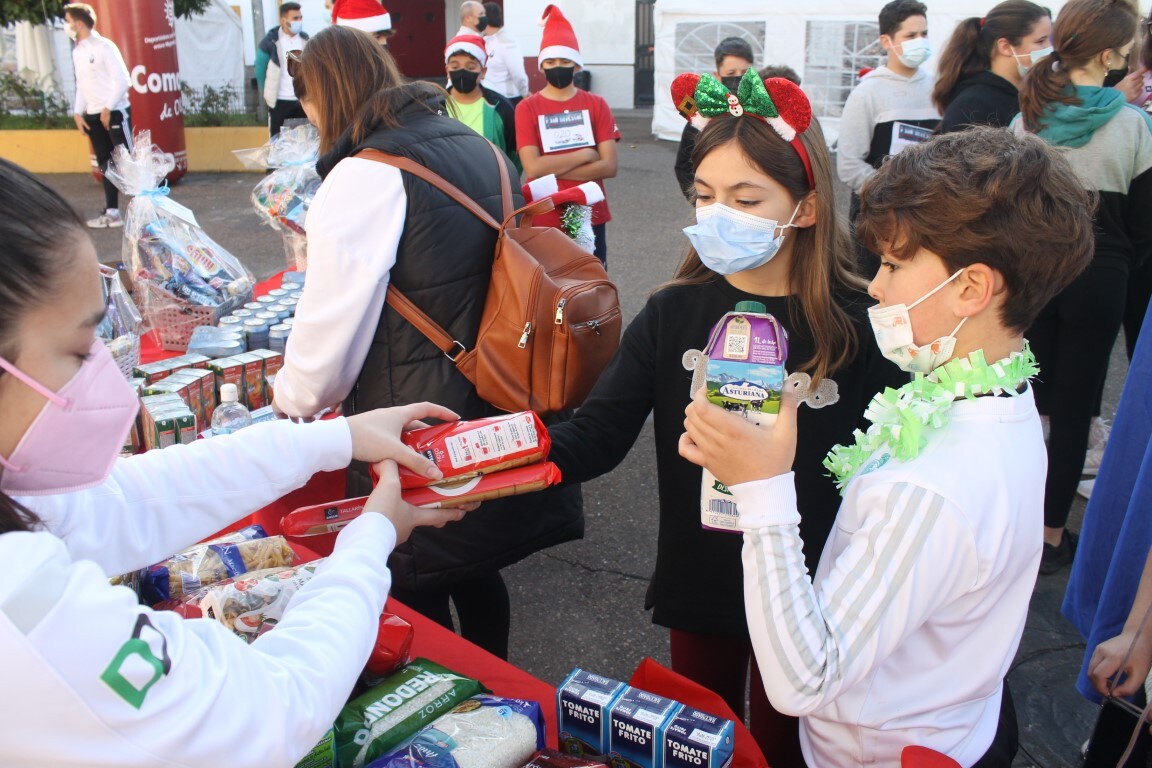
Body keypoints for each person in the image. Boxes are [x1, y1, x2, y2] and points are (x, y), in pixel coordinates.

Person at [0, 157, 471, 766]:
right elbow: (273, 708)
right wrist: (369, 540)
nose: (106, 371)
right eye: (79, 346)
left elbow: (124, 501)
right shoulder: (30, 621)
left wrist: (336, 438)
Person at [680, 126, 1094, 767]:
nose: (874, 285)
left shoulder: (929, 488)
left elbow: (802, 682)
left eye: (895, 265)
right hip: (953, 721)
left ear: (971, 288)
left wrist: (762, 486)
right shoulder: (996, 400)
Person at [547, 69, 904, 768]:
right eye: (704, 196)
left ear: (803, 207)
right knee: (696, 746)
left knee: (783, 751)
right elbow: (593, 437)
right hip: (700, 577)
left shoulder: (863, 328)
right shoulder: (672, 311)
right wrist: (488, 458)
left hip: (812, 596)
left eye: (745, 199)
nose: (718, 215)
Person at [272, 27, 582, 661]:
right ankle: (500, 692)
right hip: (493, 386)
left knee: (414, 577)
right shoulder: (475, 144)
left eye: (306, 104)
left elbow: (324, 355)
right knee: (471, 560)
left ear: (324, 96)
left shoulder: (365, 175)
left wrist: (291, 398)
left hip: (415, 416)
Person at [1013, 0, 1152, 574]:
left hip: (1034, 277)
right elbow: (1145, 228)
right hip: (1101, 278)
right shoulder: (1133, 126)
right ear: (1108, 54)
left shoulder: (1025, 121)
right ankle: (1050, 535)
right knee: (1075, 409)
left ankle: (1016, 518)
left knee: (1023, 402)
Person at [837, 0, 940, 274]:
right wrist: (894, 193)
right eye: (910, 35)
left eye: (924, 34)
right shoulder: (867, 93)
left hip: (926, 217)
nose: (920, 41)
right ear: (887, 40)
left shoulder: (937, 88)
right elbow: (848, 165)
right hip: (877, 220)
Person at [516, 4, 620, 266]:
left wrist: (548, 170)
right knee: (547, 285)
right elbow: (532, 166)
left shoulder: (597, 104)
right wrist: (585, 154)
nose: (557, 67)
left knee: (591, 284)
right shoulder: (526, 108)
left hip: (590, 212)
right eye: (550, 62)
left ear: (576, 65)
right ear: (541, 66)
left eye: (564, 61)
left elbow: (609, 166)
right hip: (543, 213)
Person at [933, 1, 1052, 133]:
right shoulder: (973, 106)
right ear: (1005, 47)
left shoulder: (1029, 93)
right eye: (1040, 41)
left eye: (1050, 40)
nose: (1049, 49)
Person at [64, 3, 131, 230]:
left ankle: (149, 212)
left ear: (79, 23)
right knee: (106, 163)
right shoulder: (77, 51)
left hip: (114, 112)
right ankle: (112, 212)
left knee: (127, 160)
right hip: (92, 115)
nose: (66, 25)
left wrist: (108, 108)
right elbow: (81, 84)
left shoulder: (104, 47)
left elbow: (123, 79)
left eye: (68, 20)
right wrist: (77, 112)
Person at [674, 37, 755, 201]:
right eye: (731, 74)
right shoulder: (704, 116)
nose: (739, 79)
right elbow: (683, 166)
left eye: (745, 73)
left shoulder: (761, 113)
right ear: (718, 76)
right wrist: (703, 200)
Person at [443, 34, 518, 169]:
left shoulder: (502, 108)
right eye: (455, 67)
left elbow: (515, 154)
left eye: (470, 67)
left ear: (483, 72)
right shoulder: (435, 107)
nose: (462, 72)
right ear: (447, 71)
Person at [256, 2, 309, 138]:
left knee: (304, 140)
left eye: (300, 17)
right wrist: (268, 94)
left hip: (302, 100)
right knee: (278, 141)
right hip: (279, 102)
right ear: (283, 20)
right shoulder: (270, 43)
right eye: (295, 18)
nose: (299, 21)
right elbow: (260, 72)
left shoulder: (306, 41)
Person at [481, 2, 529, 105]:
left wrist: (525, 93)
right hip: (487, 98)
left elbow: (518, 73)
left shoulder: (507, 42)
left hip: (508, 99)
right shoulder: (483, 41)